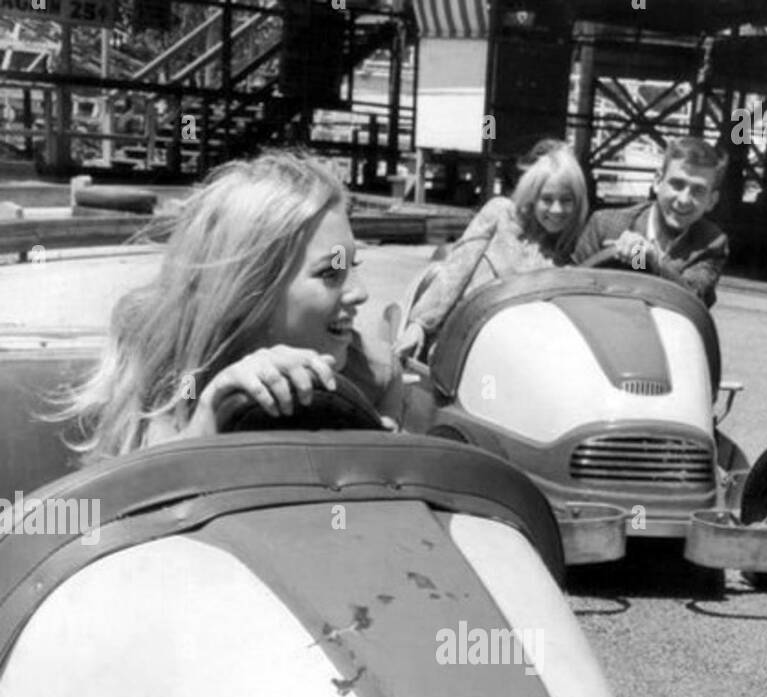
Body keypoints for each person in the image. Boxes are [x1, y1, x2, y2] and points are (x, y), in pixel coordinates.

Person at [58, 150, 399, 460]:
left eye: (353, 266)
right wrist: (208, 417)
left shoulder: (376, 375)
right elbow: (127, 507)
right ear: (251, 290)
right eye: (330, 273)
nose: (361, 292)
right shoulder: (161, 376)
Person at [395, 142, 589, 361]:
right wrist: (419, 324)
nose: (556, 209)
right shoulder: (500, 213)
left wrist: (636, 252)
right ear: (533, 196)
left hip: (519, 357)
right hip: (460, 343)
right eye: (547, 199)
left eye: (566, 200)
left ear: (578, 202)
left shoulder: (574, 250)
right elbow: (455, 271)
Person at [573, 136, 729, 308]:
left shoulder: (712, 243)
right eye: (677, 184)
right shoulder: (604, 225)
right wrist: (637, 257)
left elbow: (693, 300)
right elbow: (569, 285)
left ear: (712, 201)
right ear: (657, 182)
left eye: (698, 190)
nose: (684, 199)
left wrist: (654, 261)